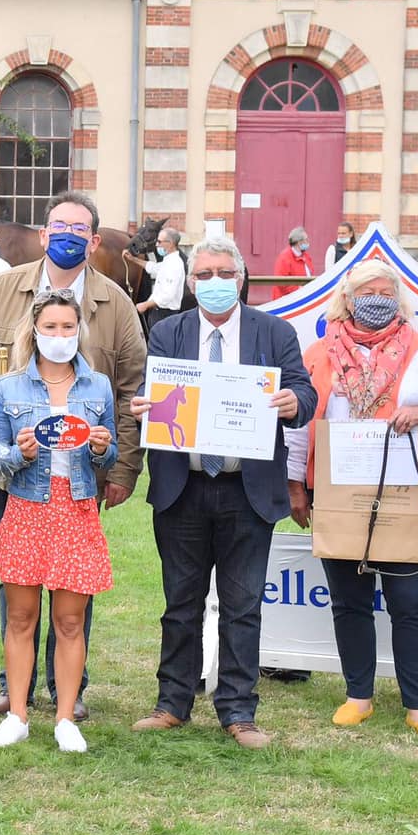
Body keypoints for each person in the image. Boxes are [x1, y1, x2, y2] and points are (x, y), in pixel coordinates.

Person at [0, 190, 145, 721]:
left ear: (94, 239)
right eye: (58, 226)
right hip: (15, 470)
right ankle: (14, 686)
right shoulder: (1, 289)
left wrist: (123, 465)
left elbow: (131, 388)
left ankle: (70, 691)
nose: (67, 235)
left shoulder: (115, 303)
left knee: (75, 584)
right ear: (42, 234)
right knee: (17, 578)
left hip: (82, 476)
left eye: (79, 229)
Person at [131, 234, 315, 748]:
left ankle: (238, 711)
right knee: (180, 602)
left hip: (246, 490)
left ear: (241, 279)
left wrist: (290, 402)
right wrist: (144, 407)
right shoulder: (168, 333)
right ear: (190, 282)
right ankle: (173, 702)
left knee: (242, 605)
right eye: (205, 275)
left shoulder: (274, 331)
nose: (215, 283)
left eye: (224, 274)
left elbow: (305, 390)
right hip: (181, 488)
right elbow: (153, 392)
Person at [285, 259, 418, 741]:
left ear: (399, 299)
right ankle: (358, 696)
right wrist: (296, 485)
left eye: (387, 293)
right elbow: (303, 421)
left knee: (411, 600)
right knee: (349, 600)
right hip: (339, 492)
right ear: (348, 298)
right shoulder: (320, 353)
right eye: (368, 292)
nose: (377, 300)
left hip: (408, 497)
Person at [0, 289, 118, 753]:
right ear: (34, 331)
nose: (60, 336)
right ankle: (17, 714)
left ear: (79, 330)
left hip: (77, 509)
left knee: (70, 621)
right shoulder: (8, 388)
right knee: (19, 617)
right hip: (26, 508)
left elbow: (111, 453)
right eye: (51, 327)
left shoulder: (97, 386)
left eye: (67, 327)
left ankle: (64, 717)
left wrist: (101, 447)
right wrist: (19, 452)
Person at [137, 226, 186, 338]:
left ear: (171, 243)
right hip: (158, 313)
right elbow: (153, 268)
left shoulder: (175, 265)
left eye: (159, 242)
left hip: (165, 314)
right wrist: (133, 259)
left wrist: (145, 305)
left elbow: (167, 296)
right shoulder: (168, 261)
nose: (156, 245)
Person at [271, 225, 314, 299]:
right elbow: (281, 282)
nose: (308, 242)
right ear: (298, 242)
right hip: (286, 299)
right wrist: (299, 290)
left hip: (302, 296)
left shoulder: (306, 256)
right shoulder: (284, 258)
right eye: (306, 240)